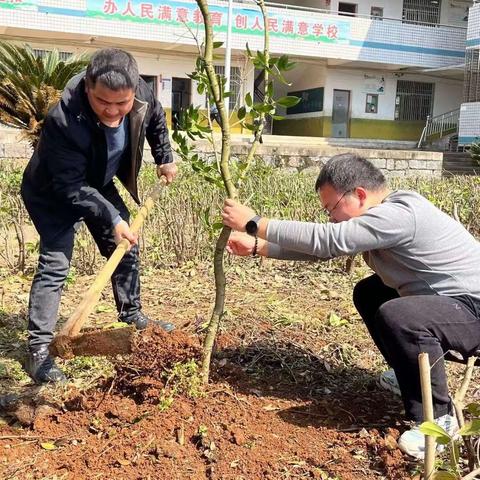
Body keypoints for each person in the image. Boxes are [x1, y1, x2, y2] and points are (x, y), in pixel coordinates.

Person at [221, 153, 480, 460]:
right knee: (371, 292)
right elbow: (324, 251)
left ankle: (438, 421)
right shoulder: (383, 216)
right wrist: (259, 247)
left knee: (400, 315)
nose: (330, 217)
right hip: (454, 305)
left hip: (473, 308)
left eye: (332, 208)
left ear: (359, 194)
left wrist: (255, 224)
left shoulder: (399, 213)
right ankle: (407, 375)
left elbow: (331, 241)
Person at [21, 48, 177, 384]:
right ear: (88, 87)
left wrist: (164, 156)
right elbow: (71, 188)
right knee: (56, 263)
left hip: (97, 181)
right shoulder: (63, 118)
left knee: (125, 247)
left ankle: (131, 314)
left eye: (121, 104)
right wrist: (114, 217)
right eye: (103, 101)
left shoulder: (140, 94)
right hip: (54, 191)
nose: (112, 110)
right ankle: (39, 351)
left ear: (133, 90)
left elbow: (155, 119)